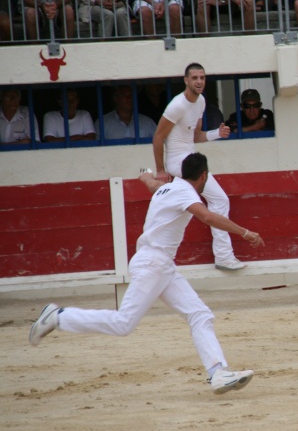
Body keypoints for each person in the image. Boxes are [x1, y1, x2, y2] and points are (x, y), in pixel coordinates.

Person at [28, 153, 264, 395]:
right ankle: (59, 317)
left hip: (160, 264)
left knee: (199, 314)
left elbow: (152, 184)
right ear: (203, 175)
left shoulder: (168, 188)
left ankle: (218, 372)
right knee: (123, 323)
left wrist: (146, 176)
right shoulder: (185, 193)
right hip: (154, 263)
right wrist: (244, 232)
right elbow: (206, 216)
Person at [153, 63, 246, 271]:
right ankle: (223, 256)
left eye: (202, 78)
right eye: (194, 78)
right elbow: (158, 137)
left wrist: (216, 134)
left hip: (190, 158)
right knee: (219, 199)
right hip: (178, 161)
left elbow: (195, 136)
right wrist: (160, 170)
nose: (199, 81)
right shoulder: (177, 105)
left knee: (200, 203)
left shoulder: (201, 102)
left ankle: (223, 256)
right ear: (186, 80)